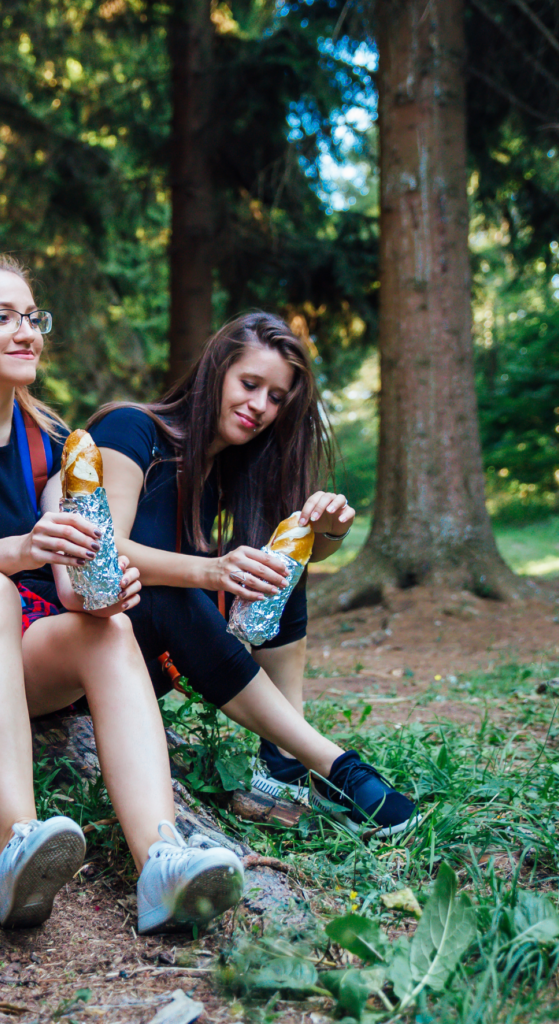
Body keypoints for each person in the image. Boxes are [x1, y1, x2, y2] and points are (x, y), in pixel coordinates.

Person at [0, 254, 244, 935]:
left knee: (112, 631)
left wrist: (105, 591)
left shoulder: (51, 441)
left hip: (9, 655)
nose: (26, 332)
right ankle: (17, 845)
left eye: (32, 317)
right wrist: (19, 552)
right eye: (2, 317)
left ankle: (159, 859)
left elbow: (71, 583)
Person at [89, 312, 419, 837]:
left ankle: (283, 763)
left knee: (278, 567)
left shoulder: (230, 468)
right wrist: (212, 570)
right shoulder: (132, 428)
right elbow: (104, 553)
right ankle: (338, 768)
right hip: (91, 643)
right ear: (214, 373)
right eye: (249, 384)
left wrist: (325, 532)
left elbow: (282, 571)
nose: (259, 407)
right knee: (168, 594)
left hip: (153, 661)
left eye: (276, 397)